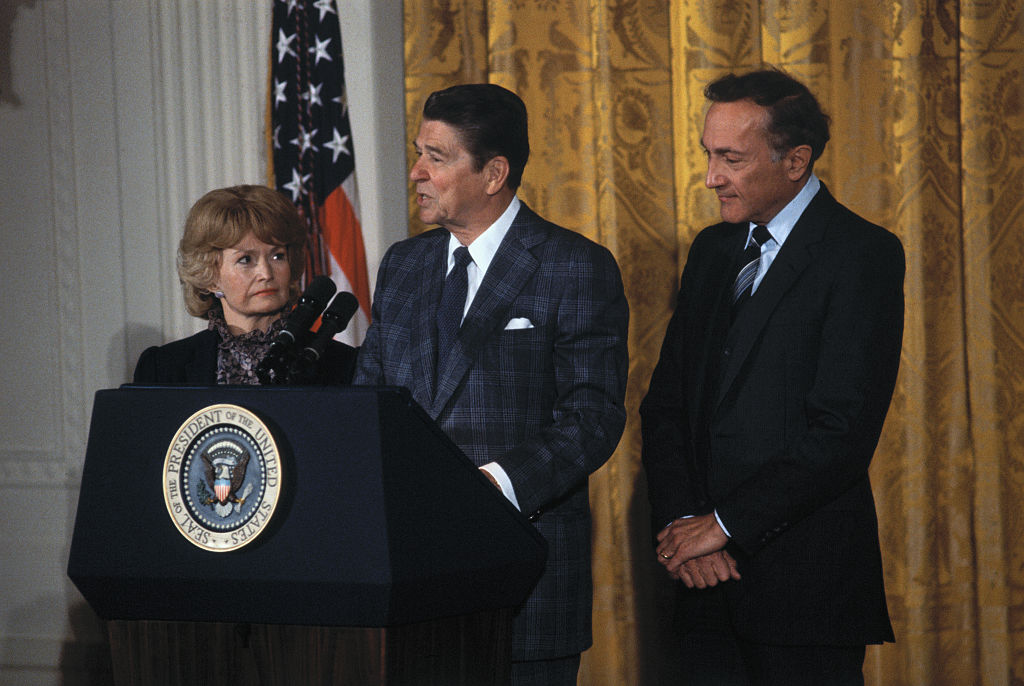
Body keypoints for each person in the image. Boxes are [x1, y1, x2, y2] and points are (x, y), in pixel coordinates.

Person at [354, 83, 629, 685]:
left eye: (436, 157)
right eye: (418, 152)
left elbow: (593, 417)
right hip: (410, 584)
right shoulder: (403, 264)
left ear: (494, 173)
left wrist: (490, 488)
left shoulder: (573, 266)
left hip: (523, 578)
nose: (416, 171)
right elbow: (369, 402)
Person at [640, 69, 904, 685]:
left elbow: (841, 431)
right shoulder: (711, 251)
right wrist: (683, 529)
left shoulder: (862, 254)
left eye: (730, 158)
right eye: (708, 155)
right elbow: (666, 406)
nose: (711, 177)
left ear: (796, 161)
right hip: (702, 592)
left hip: (805, 595)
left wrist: (722, 527)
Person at [134, 184, 357, 385]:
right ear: (210, 276)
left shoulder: (343, 364)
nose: (266, 273)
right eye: (246, 260)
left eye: (277, 256)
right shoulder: (163, 367)